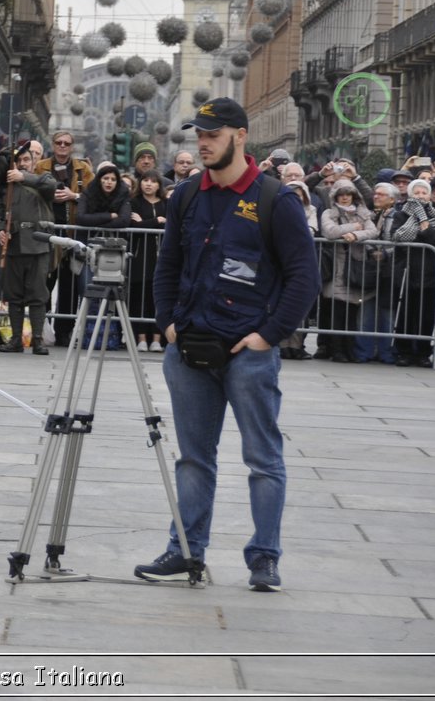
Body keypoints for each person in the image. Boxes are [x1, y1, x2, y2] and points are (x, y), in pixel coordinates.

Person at [135, 97, 319, 594]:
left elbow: (304, 277)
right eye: (200, 133)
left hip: (248, 354)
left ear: (239, 136)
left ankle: (264, 558)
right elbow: (167, 264)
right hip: (189, 348)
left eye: (213, 134)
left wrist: (268, 335)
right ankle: (185, 549)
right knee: (193, 458)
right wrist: (167, 323)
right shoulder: (187, 194)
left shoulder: (274, 199)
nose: (203, 141)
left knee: (263, 458)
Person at [0, 141, 57, 354]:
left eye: (27, 159)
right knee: (13, 295)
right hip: (14, 245)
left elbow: (51, 185)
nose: (23, 164)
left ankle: (37, 339)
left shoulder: (40, 179)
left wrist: (24, 177)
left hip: (37, 245)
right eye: (19, 161)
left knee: (38, 295)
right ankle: (16, 339)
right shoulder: (4, 186)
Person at [35, 130, 94, 348]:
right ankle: (40, 329)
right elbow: (33, 190)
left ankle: (63, 332)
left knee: (69, 287)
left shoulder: (83, 168)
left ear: (72, 146)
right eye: (58, 143)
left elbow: (92, 195)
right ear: (53, 144)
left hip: (72, 234)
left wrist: (73, 195)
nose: (62, 146)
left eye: (66, 143)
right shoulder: (41, 166)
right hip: (48, 232)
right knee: (44, 283)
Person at [388, 177, 435, 367]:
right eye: (417, 192)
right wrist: (420, 224)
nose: (420, 196)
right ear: (411, 194)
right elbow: (397, 236)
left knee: (427, 315)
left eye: (424, 193)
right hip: (407, 270)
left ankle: (423, 352)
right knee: (406, 313)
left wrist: (425, 227)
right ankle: (404, 351)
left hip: (430, 272)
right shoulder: (401, 215)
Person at [316, 180, 377, 364]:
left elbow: (373, 231)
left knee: (352, 312)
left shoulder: (362, 212)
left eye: (348, 194)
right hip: (336, 268)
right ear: (335, 196)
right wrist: (355, 227)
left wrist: (356, 235)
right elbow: (330, 231)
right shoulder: (329, 212)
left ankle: (350, 350)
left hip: (355, 267)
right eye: (341, 194)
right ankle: (337, 350)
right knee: (337, 311)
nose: (344, 197)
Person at [358, 182, 403, 364]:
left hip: (389, 270)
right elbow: (366, 235)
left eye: (381, 194)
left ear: (392, 199)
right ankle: (364, 351)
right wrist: (370, 250)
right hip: (371, 268)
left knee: (387, 313)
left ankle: (386, 352)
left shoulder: (397, 216)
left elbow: (397, 240)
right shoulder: (371, 214)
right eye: (375, 194)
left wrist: (384, 253)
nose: (376, 196)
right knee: (366, 311)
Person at [128, 170, 168, 351]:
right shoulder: (134, 202)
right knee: (139, 297)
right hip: (140, 257)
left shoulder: (167, 204)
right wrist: (156, 221)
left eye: (153, 181)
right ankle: (141, 337)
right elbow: (133, 225)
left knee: (158, 299)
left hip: (161, 258)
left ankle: (157, 339)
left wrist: (147, 221)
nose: (149, 184)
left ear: (159, 185)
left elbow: (171, 224)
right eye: (145, 180)